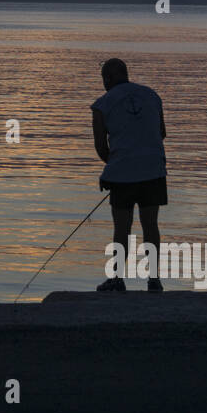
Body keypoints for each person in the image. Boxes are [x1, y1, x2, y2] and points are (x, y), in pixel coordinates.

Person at [91, 58, 167, 292]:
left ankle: (117, 278)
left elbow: (101, 148)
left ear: (108, 79)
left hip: (123, 175)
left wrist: (115, 170)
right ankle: (154, 279)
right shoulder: (152, 96)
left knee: (121, 228)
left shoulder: (101, 106)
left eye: (104, 78)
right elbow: (161, 133)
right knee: (150, 225)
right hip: (153, 170)